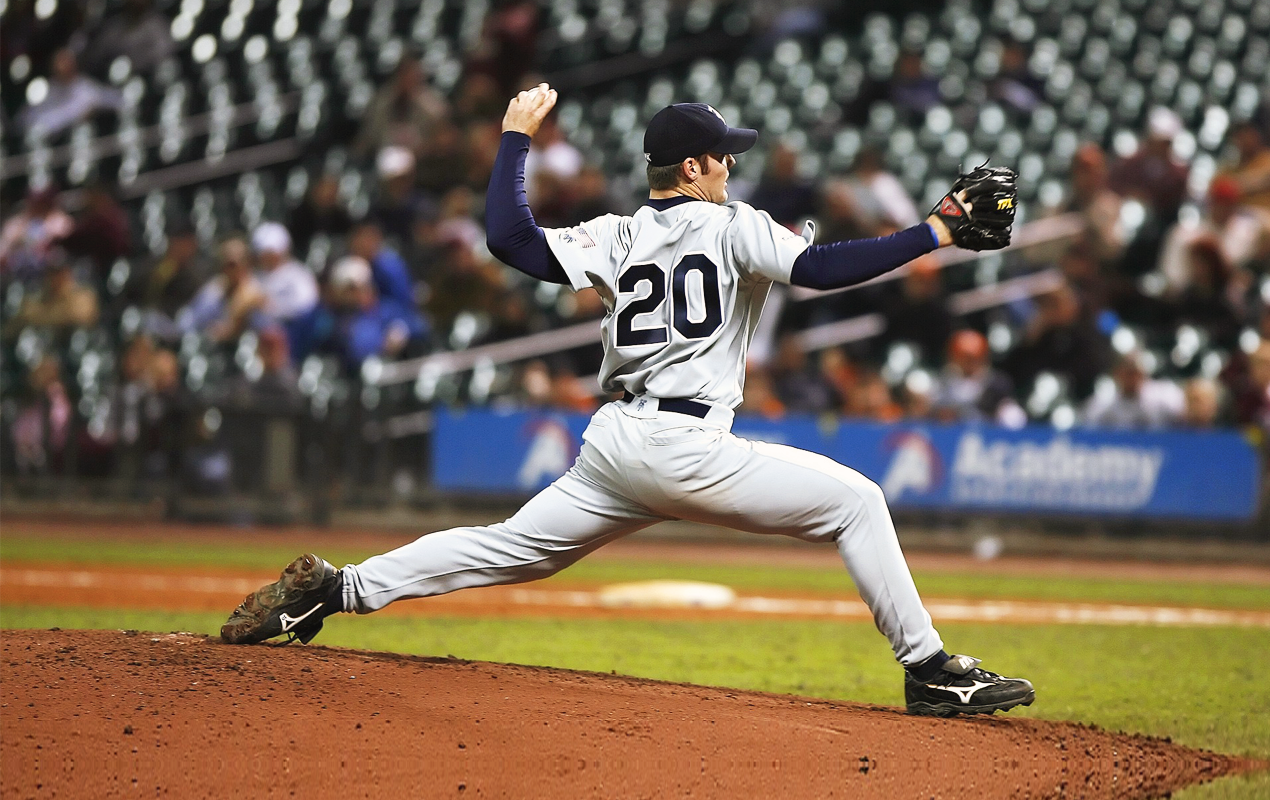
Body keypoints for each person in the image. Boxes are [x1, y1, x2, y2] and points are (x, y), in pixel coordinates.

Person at [222, 85, 1034, 719]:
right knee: (858, 502)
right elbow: (820, 272)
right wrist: (938, 230)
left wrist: (515, 137)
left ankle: (339, 589)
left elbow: (507, 237)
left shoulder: (614, 234)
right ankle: (931, 674)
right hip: (687, 447)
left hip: (615, 444)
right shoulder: (732, 225)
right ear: (692, 168)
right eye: (721, 159)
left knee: (512, 547)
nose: (729, 168)